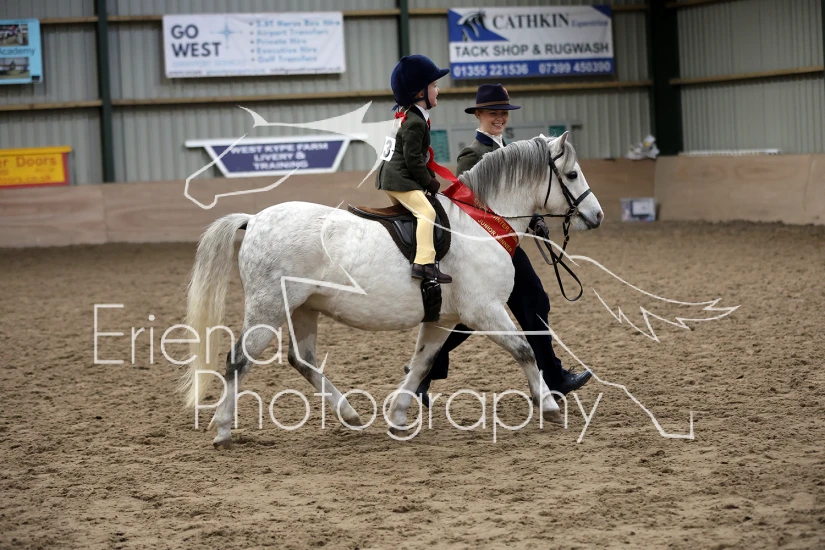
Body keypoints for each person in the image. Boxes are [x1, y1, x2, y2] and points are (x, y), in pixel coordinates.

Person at [410, 83, 592, 405]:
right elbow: (469, 203)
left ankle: (553, 377)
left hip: (506, 246)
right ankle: (421, 373)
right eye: (493, 112)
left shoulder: (510, 148)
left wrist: (534, 218)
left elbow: (522, 196)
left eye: (503, 113)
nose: (499, 118)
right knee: (475, 318)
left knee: (529, 304)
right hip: (483, 247)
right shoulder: (472, 154)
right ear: (479, 114)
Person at [375, 55, 452, 283]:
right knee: (427, 212)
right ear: (420, 93)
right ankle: (424, 264)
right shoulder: (415, 123)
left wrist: (428, 176)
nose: (438, 90)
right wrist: (429, 182)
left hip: (390, 177)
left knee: (415, 214)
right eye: (434, 86)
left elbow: (418, 156)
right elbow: (413, 161)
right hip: (398, 179)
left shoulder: (408, 116)